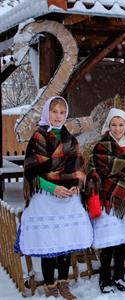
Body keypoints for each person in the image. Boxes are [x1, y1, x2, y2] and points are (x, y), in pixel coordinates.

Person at [15, 96, 92, 299]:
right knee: (49, 242)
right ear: (47, 112)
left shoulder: (70, 139)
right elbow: (32, 171)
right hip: (46, 197)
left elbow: (79, 168)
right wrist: (53, 188)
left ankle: (63, 283)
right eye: (54, 111)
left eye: (61, 112)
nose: (58, 116)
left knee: (65, 242)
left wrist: (76, 185)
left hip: (68, 199)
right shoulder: (38, 138)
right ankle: (50, 284)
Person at [86, 108, 125, 293]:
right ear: (108, 125)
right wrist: (110, 181)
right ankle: (105, 279)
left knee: (121, 243)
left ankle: (119, 276)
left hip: (124, 202)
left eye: (121, 125)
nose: (117, 129)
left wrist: (121, 182)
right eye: (114, 124)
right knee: (108, 243)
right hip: (107, 201)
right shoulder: (100, 146)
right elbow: (94, 173)